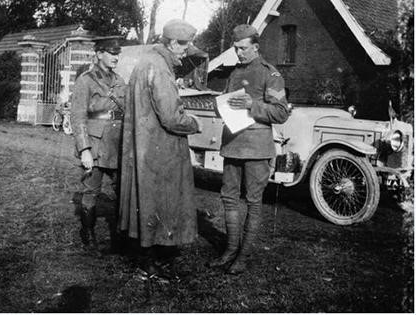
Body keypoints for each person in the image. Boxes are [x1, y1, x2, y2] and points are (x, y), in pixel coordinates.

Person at [119, 19, 202, 272]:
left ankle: (146, 253)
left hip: (143, 145)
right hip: (160, 148)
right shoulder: (160, 68)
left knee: (145, 199)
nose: (186, 51)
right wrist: (194, 123)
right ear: (172, 43)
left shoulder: (145, 62)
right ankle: (152, 257)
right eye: (184, 45)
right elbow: (170, 117)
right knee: (161, 200)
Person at [209, 24, 289, 275]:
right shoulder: (234, 73)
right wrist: (220, 106)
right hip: (233, 145)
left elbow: (281, 112)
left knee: (254, 202)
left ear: (255, 46)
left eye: (242, 48)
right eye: (235, 48)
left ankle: (243, 256)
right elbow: (226, 102)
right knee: (229, 198)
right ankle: (230, 250)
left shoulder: (271, 74)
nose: (238, 53)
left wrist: (251, 104)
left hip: (256, 148)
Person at [71, 36, 126, 251]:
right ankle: (88, 231)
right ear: (99, 53)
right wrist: (84, 149)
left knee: (122, 189)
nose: (116, 57)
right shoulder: (85, 80)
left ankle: (121, 233)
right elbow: (77, 116)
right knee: (91, 189)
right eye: (112, 53)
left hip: (116, 142)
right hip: (94, 142)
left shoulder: (120, 80)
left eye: (118, 53)